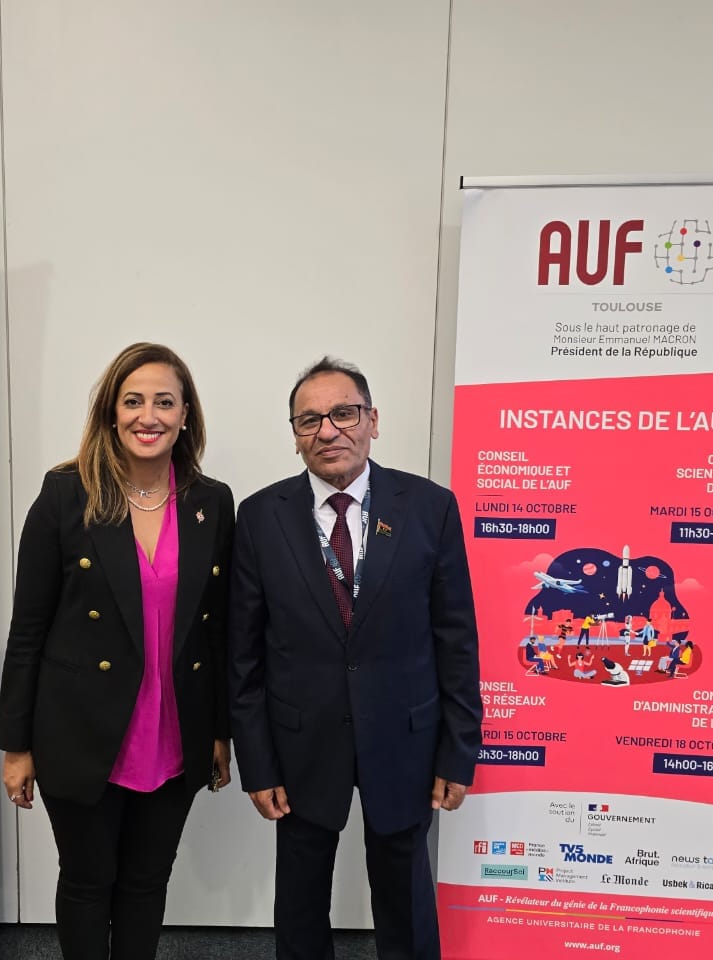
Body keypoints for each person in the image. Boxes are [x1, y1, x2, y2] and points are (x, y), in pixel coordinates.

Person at [228, 357, 482, 960]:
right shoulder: (261, 517)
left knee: (405, 887)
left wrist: (458, 749)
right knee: (300, 887)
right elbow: (243, 654)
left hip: (405, 735)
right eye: (309, 419)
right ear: (295, 436)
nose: (328, 430)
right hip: (301, 739)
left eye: (343, 413)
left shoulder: (429, 508)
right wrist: (257, 764)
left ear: (372, 421)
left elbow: (457, 638)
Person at [0, 343, 234, 960]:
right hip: (81, 730)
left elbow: (218, 630)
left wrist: (220, 731)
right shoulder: (64, 495)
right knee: (86, 882)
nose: (147, 416)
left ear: (186, 415)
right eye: (133, 401)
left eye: (164, 401)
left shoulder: (213, 502)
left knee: (146, 882)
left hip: (176, 730)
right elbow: (28, 630)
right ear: (110, 412)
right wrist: (16, 746)